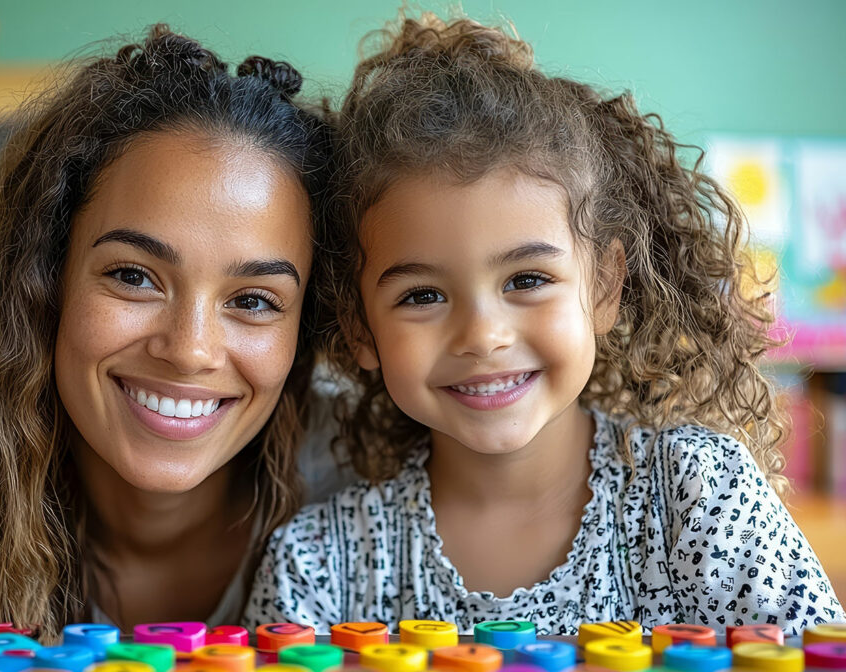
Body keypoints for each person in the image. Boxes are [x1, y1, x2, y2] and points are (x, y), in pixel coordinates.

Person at [245, 12, 845, 635]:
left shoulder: (696, 496)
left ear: (605, 287)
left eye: (527, 281)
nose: (483, 334)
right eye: (422, 295)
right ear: (361, 328)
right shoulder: (320, 565)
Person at [0, 24, 340, 672]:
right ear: (45, 282)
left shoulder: (372, 482)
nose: (189, 349)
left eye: (257, 299)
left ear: (307, 326)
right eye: (133, 275)